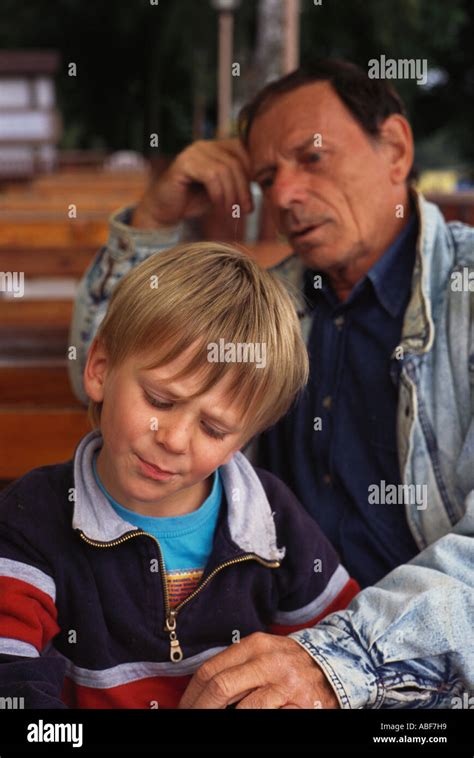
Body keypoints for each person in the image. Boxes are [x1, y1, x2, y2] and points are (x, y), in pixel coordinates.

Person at [68, 59, 474, 709]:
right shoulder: (269, 309)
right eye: (266, 177)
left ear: (395, 148)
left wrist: (336, 662)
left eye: (311, 158)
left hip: (421, 682)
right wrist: (152, 219)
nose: (282, 195)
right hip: (259, 653)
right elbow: (103, 372)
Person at [0, 242, 359, 709]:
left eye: (214, 429)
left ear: (242, 440)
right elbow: (12, 680)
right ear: (100, 369)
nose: (173, 439)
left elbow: (335, 649)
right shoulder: (33, 517)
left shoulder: (271, 520)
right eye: (160, 401)